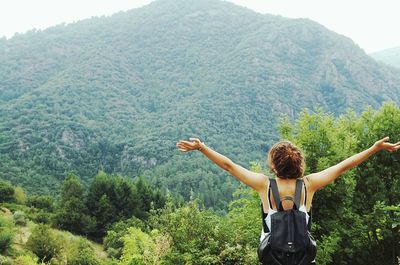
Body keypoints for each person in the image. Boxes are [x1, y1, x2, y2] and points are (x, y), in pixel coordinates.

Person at [176, 136, 400, 264]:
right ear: (299, 164)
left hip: (273, 258)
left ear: (274, 165)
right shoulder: (309, 185)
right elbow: (344, 166)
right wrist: (375, 148)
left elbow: (229, 166)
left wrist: (202, 148)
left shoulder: (264, 185)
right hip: (303, 260)